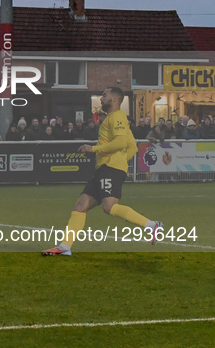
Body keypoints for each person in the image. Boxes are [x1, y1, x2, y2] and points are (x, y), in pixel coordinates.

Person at [42, 87, 163, 256]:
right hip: (105, 169)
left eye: (104, 95)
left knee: (109, 206)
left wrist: (95, 149)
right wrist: (120, 161)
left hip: (110, 168)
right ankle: (64, 247)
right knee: (80, 206)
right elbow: (132, 147)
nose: (101, 99)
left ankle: (151, 225)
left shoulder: (118, 117)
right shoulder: (115, 119)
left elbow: (121, 144)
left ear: (113, 99)